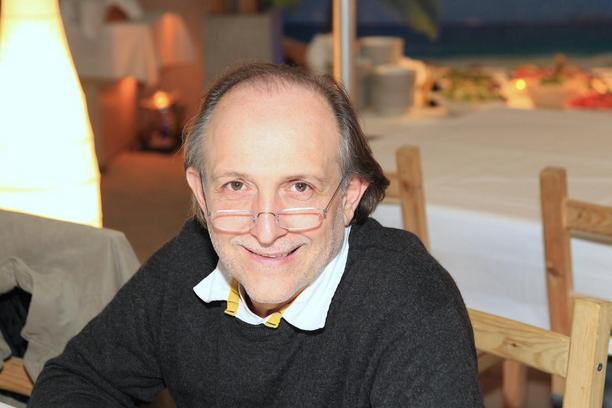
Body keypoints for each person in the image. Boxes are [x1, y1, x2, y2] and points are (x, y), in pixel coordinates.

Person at [29, 63, 483, 407]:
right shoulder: (192, 260)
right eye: (236, 186)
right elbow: (78, 379)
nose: (265, 231)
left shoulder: (412, 306)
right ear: (201, 194)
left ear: (348, 197)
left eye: (299, 187)